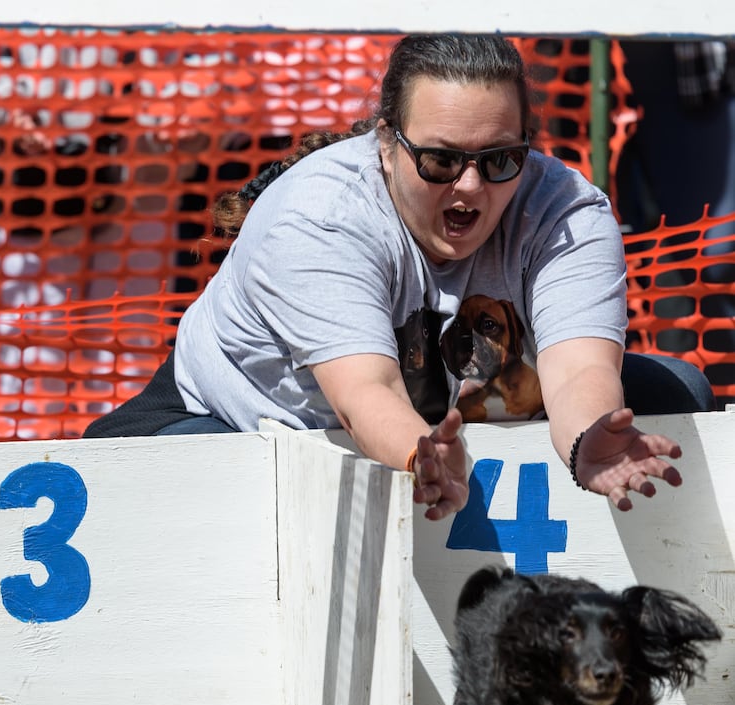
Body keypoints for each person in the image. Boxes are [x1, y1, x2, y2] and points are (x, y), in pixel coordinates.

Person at [83, 33, 714, 523]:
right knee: (187, 479)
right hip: (238, 418)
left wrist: (586, 441)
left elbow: (578, 371)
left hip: (450, 405)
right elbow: (366, 394)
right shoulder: (320, 216)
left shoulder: (566, 208)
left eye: (500, 159)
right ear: (387, 144)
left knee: (675, 392)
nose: (470, 185)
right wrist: (422, 454)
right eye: (441, 160)